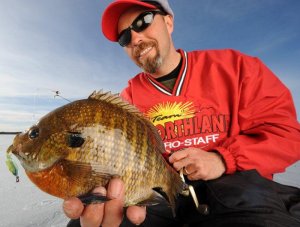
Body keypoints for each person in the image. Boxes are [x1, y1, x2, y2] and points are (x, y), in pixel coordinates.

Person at [64, 0, 300, 226]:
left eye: (143, 21)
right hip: (159, 198)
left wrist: (222, 159)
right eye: (124, 37)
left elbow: (286, 135)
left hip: (239, 192)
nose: (135, 38)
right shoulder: (125, 102)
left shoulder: (237, 68)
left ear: (168, 22)